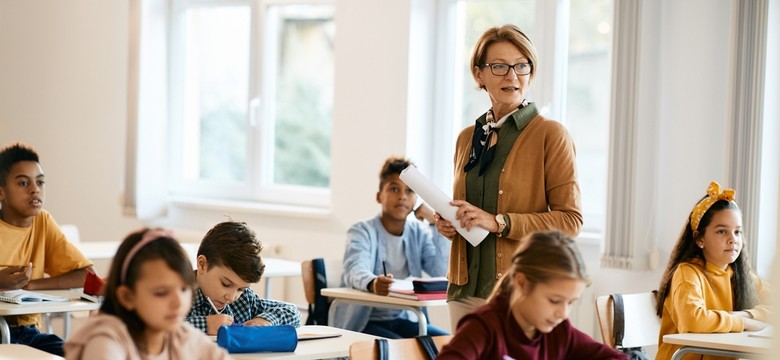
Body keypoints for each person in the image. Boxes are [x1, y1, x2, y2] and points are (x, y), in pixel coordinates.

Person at [435, 24, 582, 327]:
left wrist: (500, 222)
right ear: (479, 74)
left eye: (521, 66)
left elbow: (570, 221)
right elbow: (470, 210)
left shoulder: (551, 135)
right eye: (500, 66)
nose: (512, 76)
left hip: (520, 291)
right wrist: (451, 221)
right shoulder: (467, 138)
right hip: (464, 289)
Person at [438, 230, 624, 359]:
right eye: (554, 300)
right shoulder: (484, 327)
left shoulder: (559, 331)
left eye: (570, 303)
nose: (563, 313)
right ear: (522, 283)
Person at [64, 228, 230, 359]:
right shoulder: (106, 341)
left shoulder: (182, 336)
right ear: (127, 297)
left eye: (184, 289)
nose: (179, 303)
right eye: (161, 293)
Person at [332, 157, 451, 338]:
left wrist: (435, 222)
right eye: (394, 189)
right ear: (379, 196)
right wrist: (373, 283)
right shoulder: (361, 231)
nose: (402, 196)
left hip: (405, 318)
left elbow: (440, 270)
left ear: (416, 199)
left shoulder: (418, 232)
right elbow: (354, 270)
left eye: (410, 191)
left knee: (448, 344)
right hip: (365, 322)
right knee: (401, 352)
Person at [655, 181, 771, 360]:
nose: (733, 240)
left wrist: (747, 314)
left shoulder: (740, 276)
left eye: (737, 232)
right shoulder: (688, 273)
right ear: (700, 238)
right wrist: (744, 323)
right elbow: (692, 320)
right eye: (722, 232)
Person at [0, 142, 94, 356]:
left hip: (28, 332)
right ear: (1, 192)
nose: (35, 189)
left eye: (40, 182)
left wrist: (31, 285)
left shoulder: (43, 221)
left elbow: (86, 275)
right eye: (23, 183)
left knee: (82, 355)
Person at [185, 220, 301, 335]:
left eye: (241, 289)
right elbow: (167, 331)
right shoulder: (177, 294)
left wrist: (265, 321)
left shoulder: (244, 299)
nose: (231, 297)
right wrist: (205, 325)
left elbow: (292, 312)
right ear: (202, 265)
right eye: (226, 284)